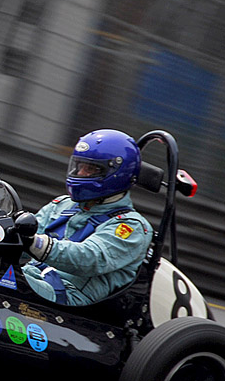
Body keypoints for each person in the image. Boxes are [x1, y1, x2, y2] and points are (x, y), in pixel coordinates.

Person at [21, 129, 152, 306]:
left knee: (2, 282)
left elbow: (90, 259)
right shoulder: (62, 204)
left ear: (116, 174)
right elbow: (21, 240)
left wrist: (35, 243)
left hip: (68, 296)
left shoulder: (132, 226)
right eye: (79, 166)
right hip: (31, 277)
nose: (80, 174)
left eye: (90, 169)